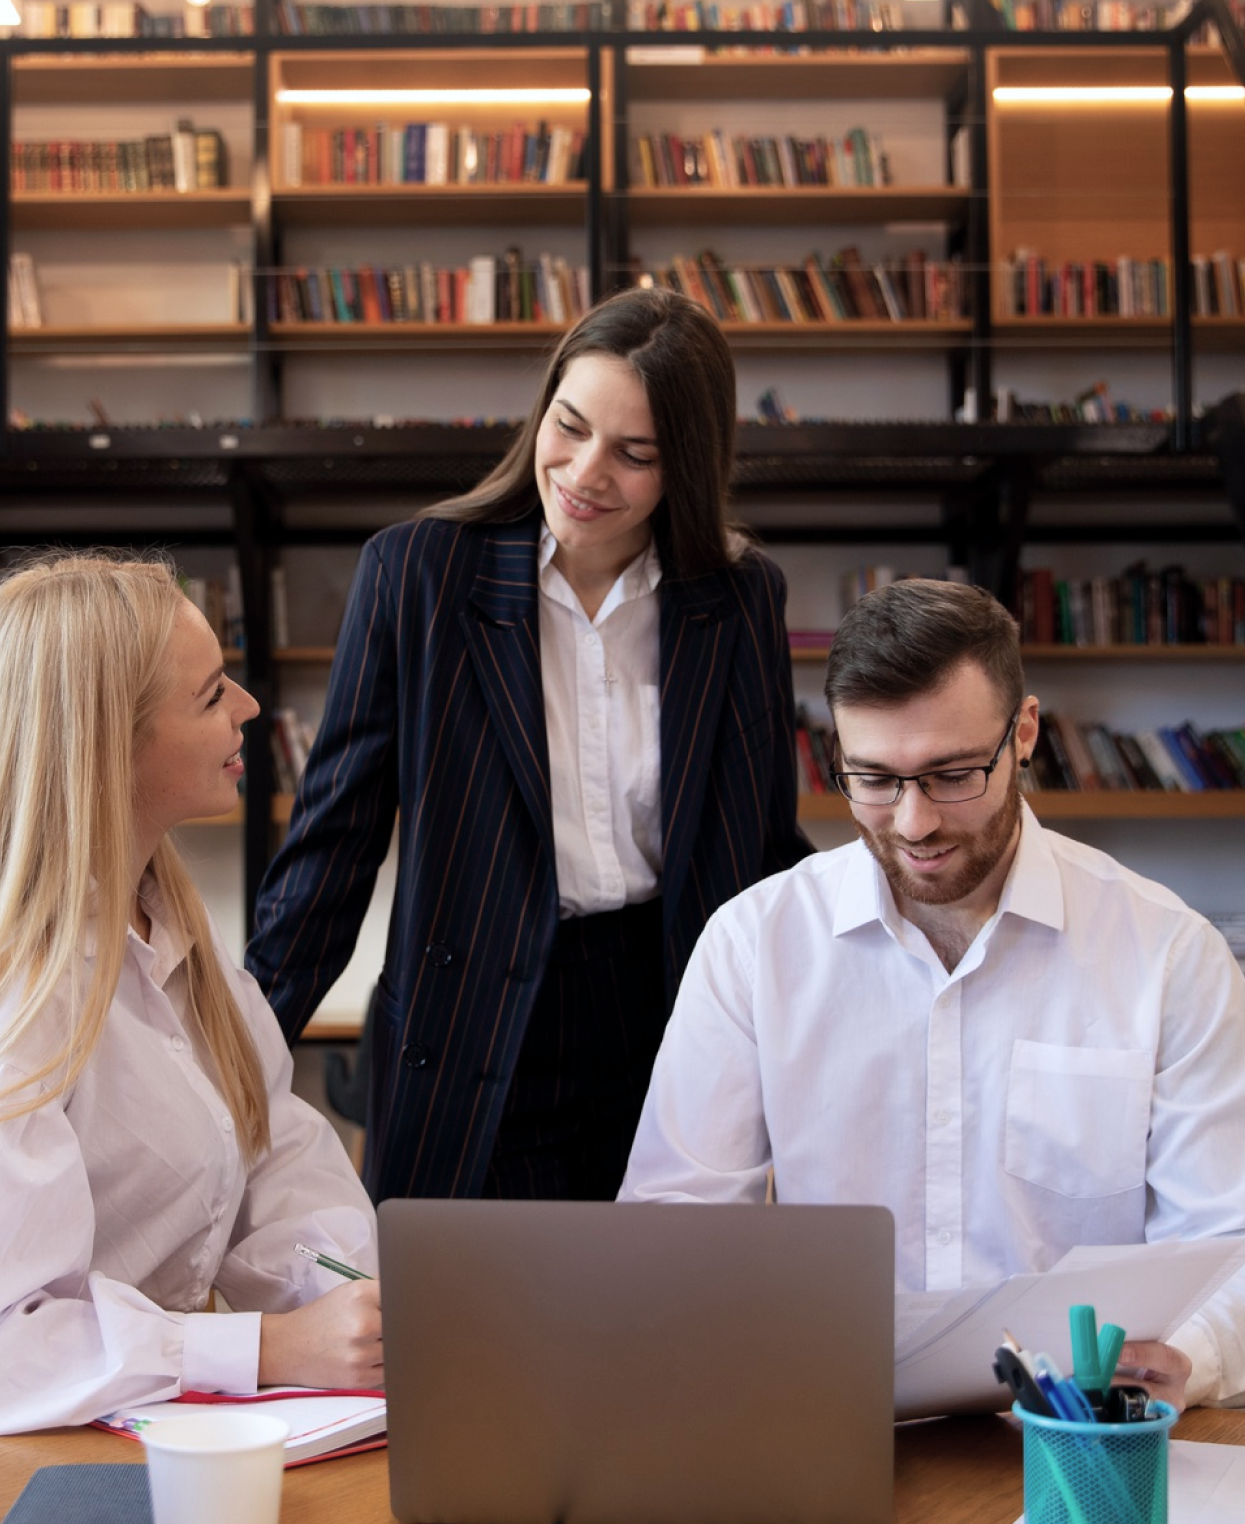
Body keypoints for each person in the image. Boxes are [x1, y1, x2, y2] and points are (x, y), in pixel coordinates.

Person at [620, 577, 1245, 1412]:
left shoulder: (1168, 953)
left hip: (1084, 1428)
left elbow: (1227, 1239)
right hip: (827, 1415)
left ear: (1023, 733)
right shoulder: (753, 944)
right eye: (873, 779)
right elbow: (672, 1226)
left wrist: (1190, 1354)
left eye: (952, 775)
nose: (913, 823)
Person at [246, 286, 811, 1203]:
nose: (586, 473)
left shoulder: (739, 598)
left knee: (656, 1314)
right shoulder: (418, 573)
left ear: (687, 468)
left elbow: (761, 850)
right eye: (569, 426)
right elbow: (330, 847)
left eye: (634, 454)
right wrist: (225, 1067)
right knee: (464, 1323)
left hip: (667, 1006)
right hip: (474, 1003)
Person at [0, 553, 382, 1436]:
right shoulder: (13, 1016)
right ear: (105, 748)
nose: (247, 706)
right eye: (211, 696)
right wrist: (265, 1350)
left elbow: (286, 1179)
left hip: (171, 1440)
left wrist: (350, 1300)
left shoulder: (201, 975)